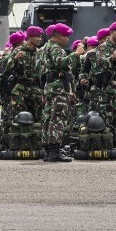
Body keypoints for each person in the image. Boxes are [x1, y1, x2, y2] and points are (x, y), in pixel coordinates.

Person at [40, 23, 74, 162]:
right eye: (66, 36)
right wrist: (76, 55)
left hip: (50, 87)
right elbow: (61, 63)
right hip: (58, 88)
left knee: (48, 118)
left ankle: (48, 150)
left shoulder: (44, 48)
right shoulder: (55, 48)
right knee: (58, 117)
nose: (68, 39)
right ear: (58, 36)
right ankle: (54, 150)